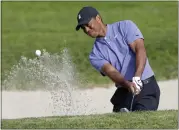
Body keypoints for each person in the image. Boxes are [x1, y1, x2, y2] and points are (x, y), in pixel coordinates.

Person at [75, 6, 160, 112]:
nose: (87, 30)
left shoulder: (125, 26)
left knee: (141, 118)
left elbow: (140, 50)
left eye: (88, 25)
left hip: (146, 86)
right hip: (124, 90)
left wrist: (137, 76)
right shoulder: (95, 55)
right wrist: (127, 84)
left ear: (98, 18)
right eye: (83, 28)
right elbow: (111, 72)